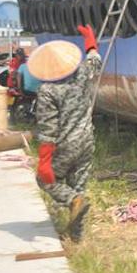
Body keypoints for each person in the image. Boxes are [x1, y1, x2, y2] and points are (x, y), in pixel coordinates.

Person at [30, 25, 101, 242]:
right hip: (87, 139)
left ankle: (73, 202)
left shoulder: (47, 91)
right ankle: (76, 234)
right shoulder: (81, 73)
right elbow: (95, 60)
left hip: (65, 145)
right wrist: (90, 40)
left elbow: (48, 129)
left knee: (45, 181)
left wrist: (44, 161)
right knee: (78, 183)